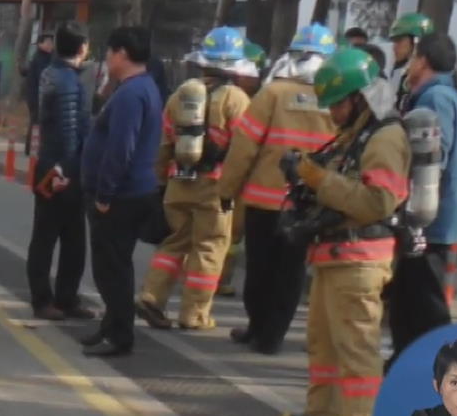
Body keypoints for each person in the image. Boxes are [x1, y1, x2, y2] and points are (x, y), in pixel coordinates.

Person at [276, 47, 410, 416]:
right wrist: (308, 174)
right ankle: (323, 412)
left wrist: (319, 180)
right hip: (334, 255)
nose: (331, 113)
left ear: (359, 99)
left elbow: (377, 203)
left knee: (356, 347)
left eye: (336, 104)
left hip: (360, 258)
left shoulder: (386, 138)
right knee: (322, 341)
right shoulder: (356, 135)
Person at [218, 23, 338, 354]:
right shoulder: (335, 100)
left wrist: (227, 190)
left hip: (264, 201)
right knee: (291, 272)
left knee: (259, 268)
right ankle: (273, 334)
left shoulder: (272, 94)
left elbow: (244, 147)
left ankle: (258, 327)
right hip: (307, 203)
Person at [136, 27, 258, 331]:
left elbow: (164, 142)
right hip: (215, 187)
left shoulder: (180, 95)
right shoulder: (237, 99)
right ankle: (195, 314)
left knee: (174, 241)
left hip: (179, 181)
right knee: (209, 247)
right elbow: (243, 148)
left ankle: (151, 297)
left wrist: (162, 180)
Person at [386, 33, 457, 369]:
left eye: (413, 59)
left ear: (422, 60)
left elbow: (432, 160)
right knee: (407, 295)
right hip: (442, 214)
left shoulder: (435, 99)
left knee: (425, 301)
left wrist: (412, 208)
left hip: (428, 218)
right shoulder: (453, 98)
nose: (409, 65)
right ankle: (404, 361)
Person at [79, 27, 163, 358]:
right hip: (129, 192)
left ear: (123, 53)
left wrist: (104, 193)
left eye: (111, 52)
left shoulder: (131, 94)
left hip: (120, 196)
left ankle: (120, 335)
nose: (108, 59)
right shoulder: (141, 87)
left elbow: (120, 148)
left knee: (112, 268)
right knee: (113, 265)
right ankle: (111, 324)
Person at [27, 22, 97, 322]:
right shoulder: (68, 81)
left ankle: (64, 297)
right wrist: (67, 169)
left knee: (68, 237)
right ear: (82, 48)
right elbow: (70, 129)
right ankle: (47, 299)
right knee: (55, 236)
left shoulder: (50, 72)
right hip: (62, 167)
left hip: (50, 161)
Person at [216, 39, 268, 298]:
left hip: (235, 174)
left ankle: (217, 276)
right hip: (231, 174)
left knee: (230, 235)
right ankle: (217, 278)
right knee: (229, 232)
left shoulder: (252, 98)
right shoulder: (237, 99)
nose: (256, 77)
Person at [388, 11, 435, 111]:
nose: (394, 47)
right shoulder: (408, 79)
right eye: (394, 42)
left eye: (399, 40)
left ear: (417, 42)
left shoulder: (429, 86)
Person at [23, 33, 55, 155]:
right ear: (40, 44)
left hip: (38, 94)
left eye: (51, 42)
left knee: (37, 121)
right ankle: (31, 148)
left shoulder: (47, 57)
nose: (50, 45)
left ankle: (33, 148)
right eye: (47, 42)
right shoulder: (40, 58)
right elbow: (43, 77)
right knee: (35, 121)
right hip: (35, 95)